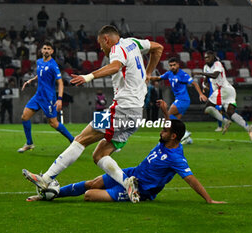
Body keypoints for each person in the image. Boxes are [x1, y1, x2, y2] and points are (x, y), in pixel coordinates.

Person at [22, 25, 163, 203]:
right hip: (136, 114)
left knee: (80, 139)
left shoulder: (116, 48)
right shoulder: (133, 42)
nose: (101, 49)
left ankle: (47, 178)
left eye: (100, 44)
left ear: (106, 39)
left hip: (121, 110)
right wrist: (148, 73)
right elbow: (158, 48)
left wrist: (88, 77)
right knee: (99, 155)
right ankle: (127, 183)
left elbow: (115, 67)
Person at [26, 100, 226, 204]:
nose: (160, 131)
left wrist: (209, 199)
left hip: (141, 189)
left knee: (89, 194)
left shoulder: (176, 157)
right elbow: (170, 125)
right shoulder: (169, 142)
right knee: (92, 182)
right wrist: (165, 111)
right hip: (132, 174)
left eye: (165, 130)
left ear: (173, 136)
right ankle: (50, 193)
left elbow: (190, 178)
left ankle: (130, 193)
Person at [17, 41, 74, 153]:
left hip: (49, 98)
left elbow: (60, 82)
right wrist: (31, 80)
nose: (46, 50)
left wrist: (60, 99)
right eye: (44, 48)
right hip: (38, 96)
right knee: (24, 117)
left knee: (53, 123)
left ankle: (73, 141)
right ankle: (29, 143)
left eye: (49, 48)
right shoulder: (39, 62)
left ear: (52, 51)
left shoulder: (53, 65)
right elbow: (41, 73)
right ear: (41, 50)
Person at [192, 51, 252, 140]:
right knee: (230, 112)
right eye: (205, 58)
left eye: (208, 57)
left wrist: (200, 74)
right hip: (228, 91)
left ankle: (225, 122)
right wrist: (205, 86)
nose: (206, 59)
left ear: (213, 57)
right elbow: (206, 79)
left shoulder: (217, 64)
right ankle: (248, 128)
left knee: (207, 108)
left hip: (223, 90)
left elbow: (214, 75)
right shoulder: (206, 67)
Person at [147, 57, 207, 144]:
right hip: (180, 100)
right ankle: (187, 139)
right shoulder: (169, 73)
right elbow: (159, 78)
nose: (172, 67)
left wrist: (201, 94)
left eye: (174, 65)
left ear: (178, 65)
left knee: (167, 117)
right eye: (171, 65)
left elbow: (194, 83)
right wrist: (148, 77)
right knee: (174, 122)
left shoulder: (183, 74)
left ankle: (185, 132)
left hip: (183, 100)